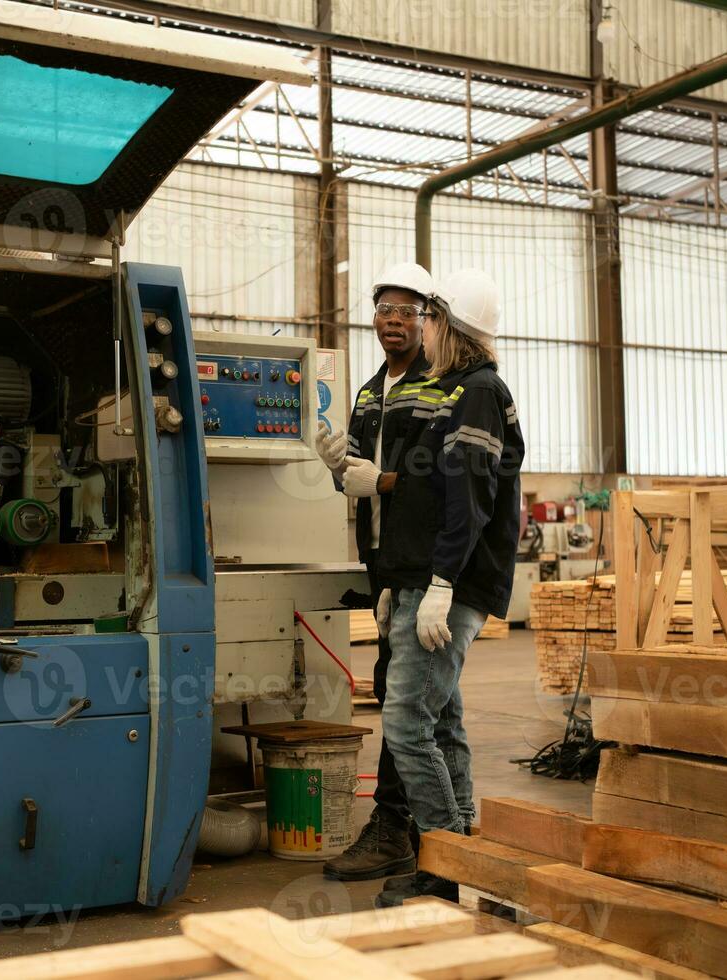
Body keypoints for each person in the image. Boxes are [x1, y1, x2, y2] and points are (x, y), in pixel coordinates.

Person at [337, 268, 525, 905]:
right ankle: (464, 846)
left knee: (406, 718)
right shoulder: (462, 389)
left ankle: (444, 862)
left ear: (451, 328)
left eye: (429, 318)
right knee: (441, 719)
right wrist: (399, 574)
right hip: (422, 574)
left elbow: (468, 498)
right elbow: (426, 489)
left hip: (453, 579)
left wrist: (440, 582)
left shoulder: (475, 392)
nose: (420, 328)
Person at [313, 261, 441, 882]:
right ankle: (437, 829)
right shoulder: (367, 392)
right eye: (385, 310)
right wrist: (337, 466)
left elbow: (446, 480)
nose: (394, 322)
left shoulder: (443, 387)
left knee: (403, 703)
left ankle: (397, 829)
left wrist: (382, 480)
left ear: (427, 319)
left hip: (421, 565)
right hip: (382, 565)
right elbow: (358, 478)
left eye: (407, 312)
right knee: (419, 702)